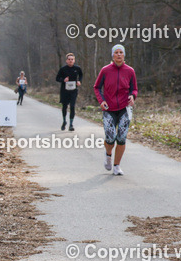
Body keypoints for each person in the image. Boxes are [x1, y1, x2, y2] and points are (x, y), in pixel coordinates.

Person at [93, 44, 138, 176]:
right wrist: (102, 101)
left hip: (124, 109)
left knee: (122, 138)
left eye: (121, 53)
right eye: (116, 53)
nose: (119, 55)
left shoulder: (130, 71)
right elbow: (97, 87)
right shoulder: (105, 70)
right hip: (109, 109)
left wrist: (133, 95)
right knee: (110, 136)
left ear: (124, 55)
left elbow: (134, 88)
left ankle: (117, 166)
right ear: (112, 55)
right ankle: (108, 155)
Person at [55, 53, 83, 130]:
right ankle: (64, 121)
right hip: (64, 91)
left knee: (72, 106)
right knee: (64, 107)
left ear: (74, 60)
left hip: (74, 90)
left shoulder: (77, 68)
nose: (70, 61)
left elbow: (81, 75)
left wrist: (79, 81)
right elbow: (57, 78)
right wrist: (63, 80)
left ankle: (71, 124)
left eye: (72, 59)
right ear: (66, 61)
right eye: (69, 59)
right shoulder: (63, 69)